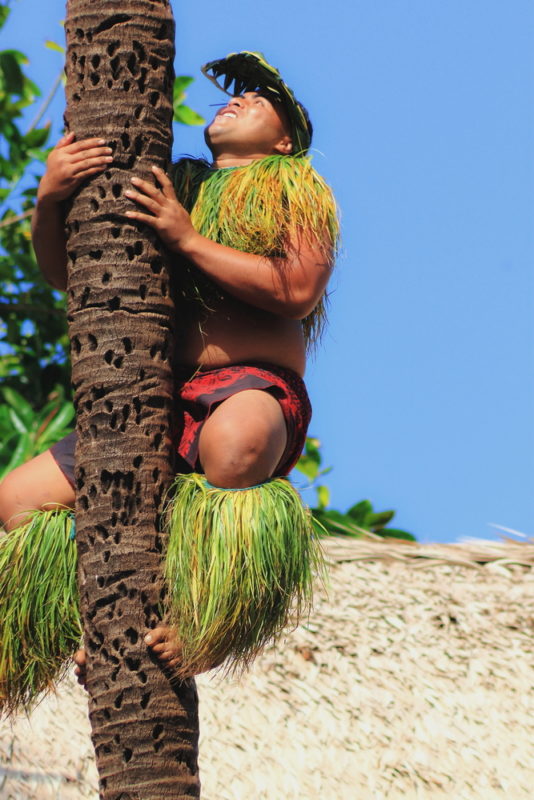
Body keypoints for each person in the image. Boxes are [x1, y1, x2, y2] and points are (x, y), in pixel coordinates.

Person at [0, 52, 338, 698]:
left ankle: (204, 626)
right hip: (150, 401)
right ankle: (91, 625)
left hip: (249, 386)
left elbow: (295, 289)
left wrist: (186, 241)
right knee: (19, 497)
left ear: (286, 139)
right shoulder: (172, 186)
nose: (236, 100)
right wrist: (50, 197)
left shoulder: (293, 190)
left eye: (260, 98)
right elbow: (73, 276)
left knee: (236, 448)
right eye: (232, 95)